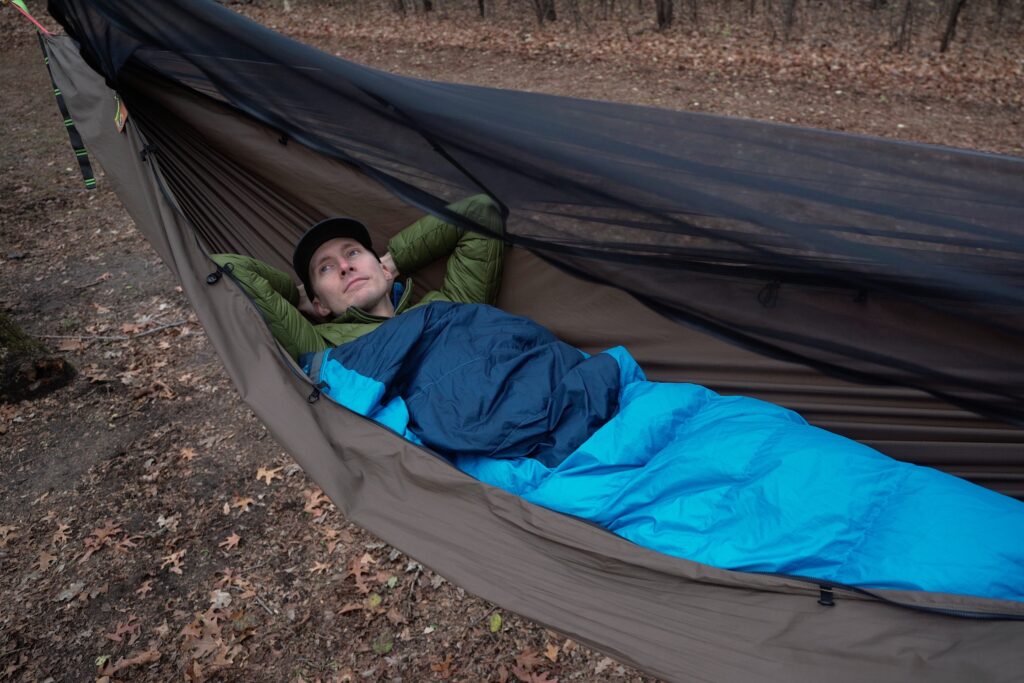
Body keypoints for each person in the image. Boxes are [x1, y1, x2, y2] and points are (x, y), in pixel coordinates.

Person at [210, 194, 505, 361]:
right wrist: (298, 296)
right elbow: (228, 268)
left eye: (352, 253)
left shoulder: (450, 305)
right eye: (324, 268)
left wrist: (392, 261)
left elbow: (480, 212)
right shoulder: (322, 346)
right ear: (319, 306)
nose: (343, 266)